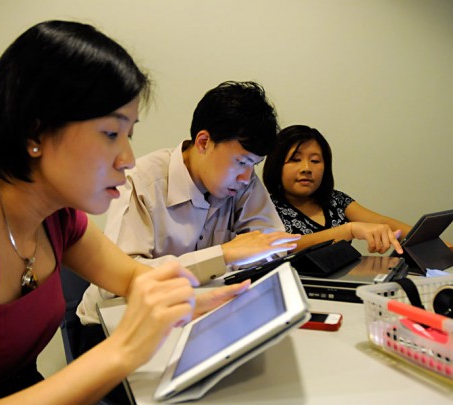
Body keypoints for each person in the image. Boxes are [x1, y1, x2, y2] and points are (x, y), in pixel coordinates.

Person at [0, 20, 249, 404]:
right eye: (110, 134)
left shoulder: (58, 216)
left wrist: (197, 299)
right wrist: (121, 351)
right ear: (35, 132)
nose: (127, 159)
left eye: (129, 135)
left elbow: (136, 278)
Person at [78, 81, 301, 327]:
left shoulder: (242, 182)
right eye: (241, 161)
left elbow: (274, 244)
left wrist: (243, 254)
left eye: (254, 165)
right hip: (113, 322)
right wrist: (223, 255)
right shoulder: (141, 181)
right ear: (204, 142)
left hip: (195, 313)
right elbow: (118, 282)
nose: (246, 177)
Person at [262, 124, 412, 255]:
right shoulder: (266, 208)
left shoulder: (335, 200)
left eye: (315, 161)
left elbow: (380, 222)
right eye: (295, 159)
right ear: (276, 165)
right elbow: (282, 247)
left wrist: (419, 237)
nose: (307, 168)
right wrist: (349, 230)